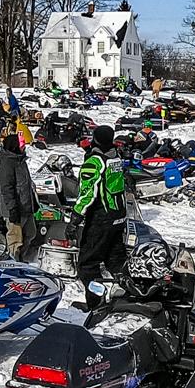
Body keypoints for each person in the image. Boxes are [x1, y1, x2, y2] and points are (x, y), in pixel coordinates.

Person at [75, 123, 129, 302]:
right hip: (118, 215)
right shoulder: (115, 158)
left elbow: (87, 193)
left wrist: (75, 217)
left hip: (101, 218)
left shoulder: (95, 162)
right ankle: (130, 292)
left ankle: (95, 301)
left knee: (87, 263)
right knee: (116, 260)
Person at [0, 126, 42, 261]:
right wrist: (12, 209)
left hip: (26, 207)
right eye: (21, 144)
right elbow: (6, 189)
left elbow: (26, 185)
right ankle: (14, 262)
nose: (23, 147)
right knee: (16, 239)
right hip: (14, 209)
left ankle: (22, 258)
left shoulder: (21, 161)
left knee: (31, 234)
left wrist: (33, 202)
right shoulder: (6, 164)